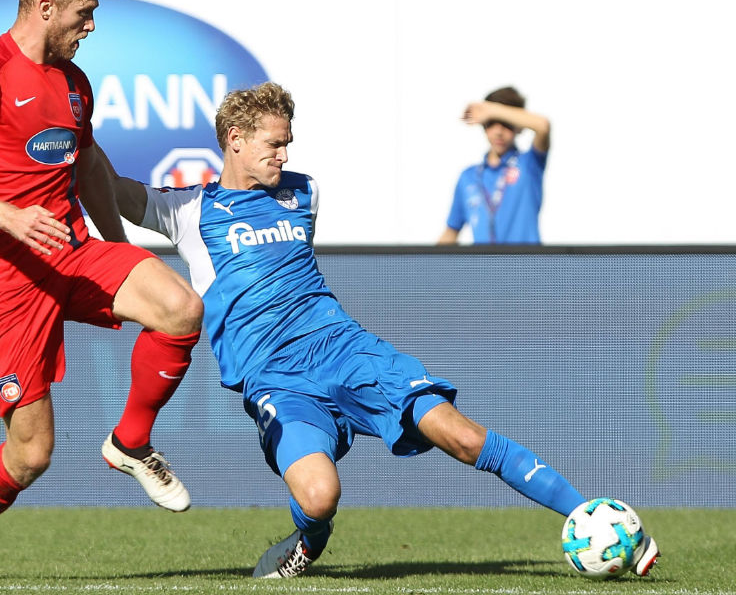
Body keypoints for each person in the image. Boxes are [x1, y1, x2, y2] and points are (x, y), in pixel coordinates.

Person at [110, 82, 659, 578]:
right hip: (276, 379)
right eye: (274, 144)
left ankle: (598, 519)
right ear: (234, 139)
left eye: (288, 143)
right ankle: (309, 541)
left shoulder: (304, 192)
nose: (284, 154)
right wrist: (73, 136)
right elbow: (111, 190)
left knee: (464, 437)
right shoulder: (188, 210)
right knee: (320, 496)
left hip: (347, 351)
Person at [0, 0, 203, 581]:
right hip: (6, 279)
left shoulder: (75, 82)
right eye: (86, 11)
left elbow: (88, 165)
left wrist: (117, 246)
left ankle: (130, 443)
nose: (92, 24)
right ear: (46, 6)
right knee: (31, 454)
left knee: (179, 306)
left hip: (73, 254)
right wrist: (10, 217)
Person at [438, 86, 550, 245]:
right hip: (486, 269)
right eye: (491, 123)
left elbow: (543, 126)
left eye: (507, 123)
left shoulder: (529, 164)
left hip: (528, 266)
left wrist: (491, 110)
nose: (498, 131)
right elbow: (451, 232)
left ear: (519, 126)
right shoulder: (468, 177)